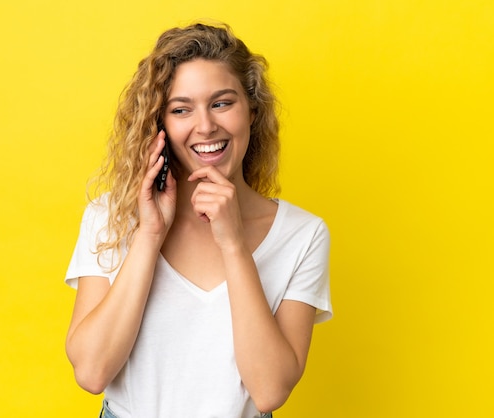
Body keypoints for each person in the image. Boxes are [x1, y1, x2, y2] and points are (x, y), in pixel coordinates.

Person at [64, 22, 332, 418]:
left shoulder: (303, 235)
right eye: (181, 109)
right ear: (160, 125)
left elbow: (270, 390)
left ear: (252, 111)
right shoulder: (110, 218)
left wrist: (234, 244)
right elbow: (91, 371)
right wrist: (149, 235)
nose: (205, 126)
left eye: (222, 103)